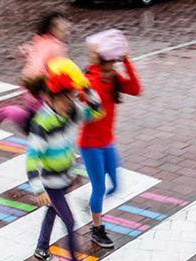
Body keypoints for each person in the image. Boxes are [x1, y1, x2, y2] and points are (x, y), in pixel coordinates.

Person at [26, 59, 103, 261]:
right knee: (69, 221)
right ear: (51, 99)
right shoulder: (42, 123)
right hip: (51, 182)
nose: (70, 103)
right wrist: (38, 189)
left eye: (72, 97)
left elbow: (97, 111)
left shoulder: (74, 111)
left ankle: (41, 248)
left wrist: (86, 87)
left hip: (65, 177)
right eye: (65, 99)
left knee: (52, 211)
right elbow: (31, 158)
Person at [79, 29, 140, 248]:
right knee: (99, 188)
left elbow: (136, 89)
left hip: (107, 142)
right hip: (90, 146)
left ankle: (93, 206)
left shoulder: (113, 78)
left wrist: (127, 61)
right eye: (112, 61)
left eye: (115, 62)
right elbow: (80, 111)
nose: (113, 65)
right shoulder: (89, 80)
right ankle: (97, 229)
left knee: (115, 185)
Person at [0, 11, 70, 133]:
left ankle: (10, 112)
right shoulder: (52, 46)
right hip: (41, 90)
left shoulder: (44, 41)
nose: (66, 33)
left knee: (37, 123)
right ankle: (9, 111)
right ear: (52, 29)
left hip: (39, 89)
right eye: (63, 30)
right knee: (38, 126)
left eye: (67, 29)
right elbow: (36, 67)